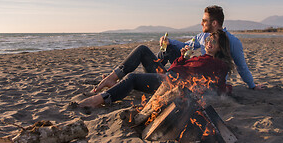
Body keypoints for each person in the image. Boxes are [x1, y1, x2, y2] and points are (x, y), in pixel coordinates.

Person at [79, 30, 234, 108]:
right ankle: (113, 77)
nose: (209, 43)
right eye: (209, 39)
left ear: (221, 48)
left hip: (171, 85)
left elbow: (218, 86)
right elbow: (176, 67)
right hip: (169, 77)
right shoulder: (200, 58)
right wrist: (182, 58)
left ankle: (100, 99)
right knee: (142, 49)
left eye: (214, 41)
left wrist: (227, 90)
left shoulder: (218, 64)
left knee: (133, 78)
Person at [158, 5, 263, 90]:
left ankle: (159, 80)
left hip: (209, 81)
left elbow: (241, 66)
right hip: (196, 71)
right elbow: (186, 45)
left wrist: (252, 85)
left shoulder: (233, 41)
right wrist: (168, 41)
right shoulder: (203, 36)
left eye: (204, 21)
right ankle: (158, 77)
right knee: (168, 48)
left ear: (214, 23)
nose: (201, 23)